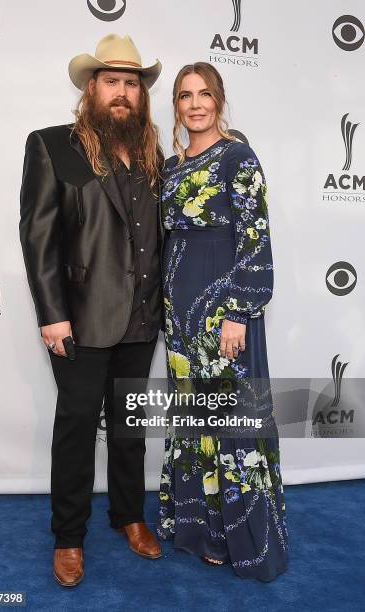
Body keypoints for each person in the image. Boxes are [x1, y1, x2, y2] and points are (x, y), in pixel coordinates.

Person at [19, 34, 164, 587]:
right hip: (78, 318)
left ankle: (129, 516)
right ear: (90, 88)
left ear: (141, 94)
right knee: (77, 425)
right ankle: (68, 537)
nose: (122, 92)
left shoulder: (155, 158)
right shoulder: (53, 145)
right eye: (112, 82)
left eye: (132, 83)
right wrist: (52, 314)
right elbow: (38, 237)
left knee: (129, 427)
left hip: (142, 319)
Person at [156, 62, 289, 581]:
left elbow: (255, 236)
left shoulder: (239, 157)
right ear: (176, 105)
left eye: (204, 94)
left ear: (219, 100)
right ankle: (200, 530)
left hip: (223, 309)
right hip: (179, 310)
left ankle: (242, 541)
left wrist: (239, 310)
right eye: (185, 95)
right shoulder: (169, 167)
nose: (195, 104)